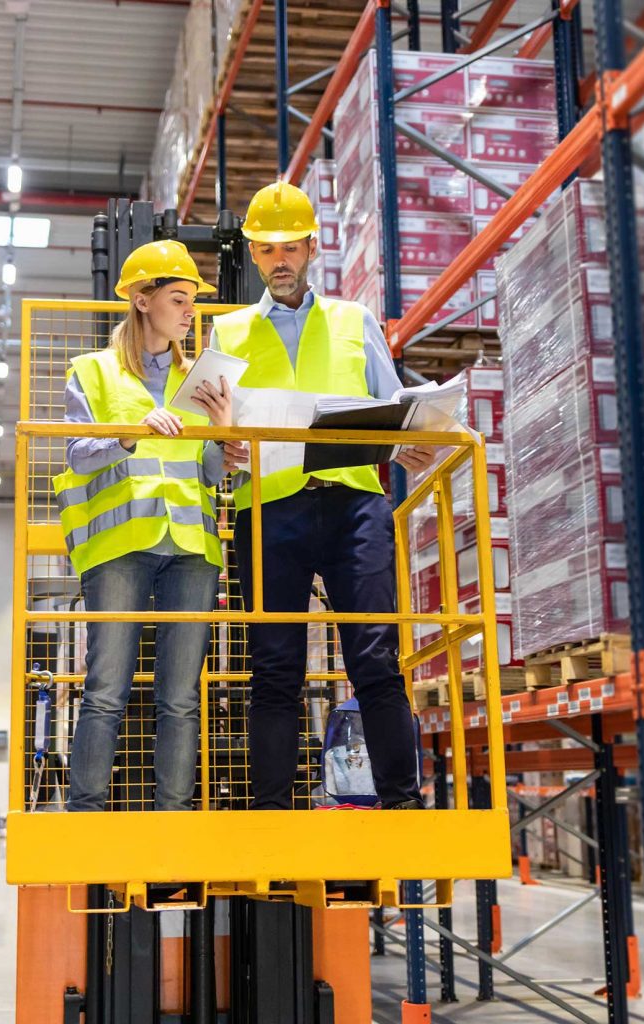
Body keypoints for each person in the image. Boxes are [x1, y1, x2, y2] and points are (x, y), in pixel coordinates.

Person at [211, 181, 434, 810]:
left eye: (289, 247)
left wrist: (405, 442)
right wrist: (222, 449)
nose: (278, 260)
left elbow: (393, 408)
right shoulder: (227, 335)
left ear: (312, 246)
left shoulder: (354, 321)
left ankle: (400, 804)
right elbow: (214, 432)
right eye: (265, 249)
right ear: (253, 256)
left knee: (375, 656)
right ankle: (272, 812)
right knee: (274, 666)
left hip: (353, 504)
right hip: (269, 507)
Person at [54, 240, 231, 812]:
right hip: (121, 549)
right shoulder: (94, 372)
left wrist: (226, 436)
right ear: (139, 300)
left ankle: (173, 819)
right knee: (106, 689)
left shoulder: (201, 379)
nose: (189, 312)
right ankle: (87, 814)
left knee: (181, 698)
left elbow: (209, 473)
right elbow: (77, 453)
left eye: (193, 303)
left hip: (191, 548)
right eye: (179, 299)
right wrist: (128, 431)